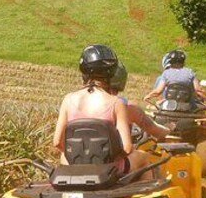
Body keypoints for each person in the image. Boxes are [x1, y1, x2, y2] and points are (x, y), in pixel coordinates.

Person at [53, 45, 147, 176]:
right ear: (111, 72)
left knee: (64, 156)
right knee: (144, 157)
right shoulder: (116, 102)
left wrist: (78, 157)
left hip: (75, 167)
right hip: (108, 169)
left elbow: (57, 142)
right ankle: (146, 195)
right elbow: (126, 148)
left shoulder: (68, 99)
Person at [109, 61, 173, 141]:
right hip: (116, 151)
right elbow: (155, 131)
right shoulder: (127, 107)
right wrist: (168, 130)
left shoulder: (88, 102)